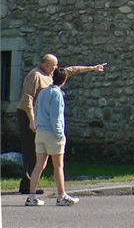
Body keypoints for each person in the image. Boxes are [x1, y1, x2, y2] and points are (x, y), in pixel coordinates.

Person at [17, 53, 107, 194]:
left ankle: (30, 186)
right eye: (54, 65)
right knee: (31, 151)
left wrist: (92, 68)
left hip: (42, 118)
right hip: (29, 115)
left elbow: (70, 70)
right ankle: (28, 184)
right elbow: (27, 99)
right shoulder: (35, 75)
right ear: (46, 64)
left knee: (40, 157)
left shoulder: (51, 75)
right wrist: (31, 120)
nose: (56, 67)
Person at [26, 68, 77, 206]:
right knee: (58, 166)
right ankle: (61, 196)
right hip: (52, 133)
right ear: (64, 81)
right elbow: (55, 117)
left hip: (40, 132)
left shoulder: (43, 92)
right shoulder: (57, 94)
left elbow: (36, 110)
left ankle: (31, 196)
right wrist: (60, 134)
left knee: (39, 165)